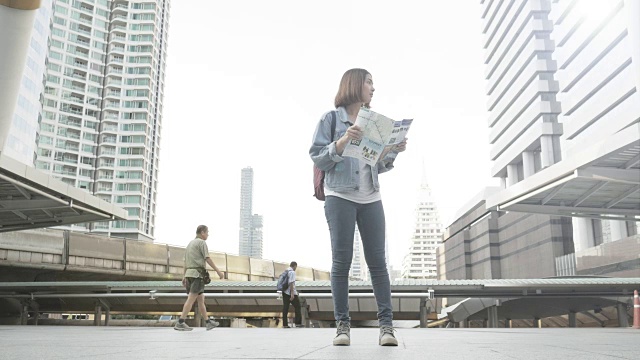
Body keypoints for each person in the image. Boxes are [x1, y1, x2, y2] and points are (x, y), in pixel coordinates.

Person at [309, 68, 407, 346]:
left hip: (371, 197)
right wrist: (342, 140)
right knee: (342, 263)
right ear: (354, 85)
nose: (373, 88)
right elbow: (318, 157)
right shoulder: (331, 119)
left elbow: (376, 164)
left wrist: (391, 151)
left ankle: (386, 327)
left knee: (378, 264)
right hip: (340, 195)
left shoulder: (373, 121)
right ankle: (342, 327)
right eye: (369, 82)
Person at [174, 225, 224, 331]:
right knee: (191, 299)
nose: (208, 235)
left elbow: (185, 262)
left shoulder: (190, 244)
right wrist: (218, 271)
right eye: (207, 232)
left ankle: (208, 322)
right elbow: (207, 258)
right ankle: (180, 322)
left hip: (189, 274)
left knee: (201, 299)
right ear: (202, 232)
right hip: (197, 275)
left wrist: (184, 276)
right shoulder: (202, 243)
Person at [281, 261, 303, 328]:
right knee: (298, 307)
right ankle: (298, 323)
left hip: (284, 292)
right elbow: (291, 283)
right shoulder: (292, 272)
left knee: (285, 308)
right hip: (290, 293)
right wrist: (292, 294)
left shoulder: (286, 271)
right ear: (295, 266)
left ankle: (285, 324)